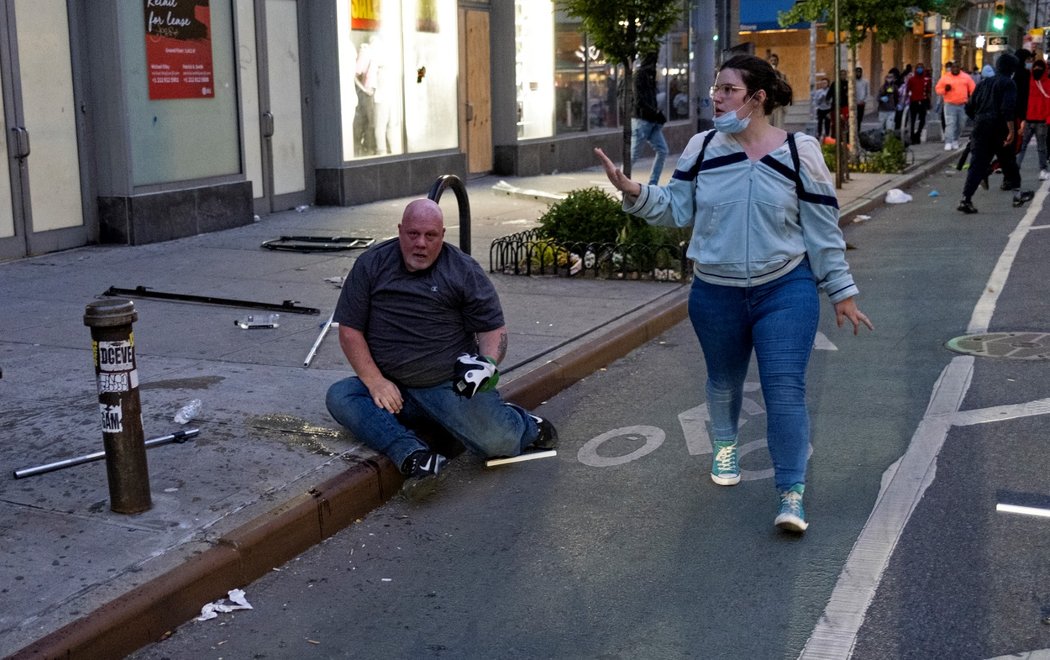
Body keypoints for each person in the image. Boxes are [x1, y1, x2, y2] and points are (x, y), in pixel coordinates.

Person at [593, 54, 873, 534]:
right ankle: (725, 444)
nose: (716, 98)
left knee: (785, 388)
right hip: (715, 292)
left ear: (757, 98)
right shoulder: (703, 148)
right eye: (715, 90)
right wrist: (634, 191)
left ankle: (791, 493)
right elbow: (676, 209)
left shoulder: (799, 152)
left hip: (786, 287)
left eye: (727, 90)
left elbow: (823, 229)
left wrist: (841, 291)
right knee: (723, 382)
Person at [325, 199, 558, 490]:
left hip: (447, 386)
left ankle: (522, 425)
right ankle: (413, 455)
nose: (420, 243)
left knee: (499, 442)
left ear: (442, 235)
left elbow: (493, 330)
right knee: (341, 396)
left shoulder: (463, 271)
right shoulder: (371, 265)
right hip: (390, 388)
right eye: (413, 234)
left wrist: (487, 365)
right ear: (400, 231)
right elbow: (349, 331)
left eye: (430, 235)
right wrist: (374, 381)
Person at [958, 53, 1029, 214]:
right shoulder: (1009, 84)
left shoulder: (984, 83)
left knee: (977, 165)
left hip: (980, 127)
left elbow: (969, 107)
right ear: (1011, 69)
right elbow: (1007, 109)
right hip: (999, 128)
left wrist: (978, 120)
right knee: (1009, 162)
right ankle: (1017, 195)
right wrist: (1011, 130)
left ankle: (965, 199)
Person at [631, 51, 669, 185]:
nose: (655, 65)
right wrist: (655, 113)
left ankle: (653, 183)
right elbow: (639, 100)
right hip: (642, 119)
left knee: (663, 150)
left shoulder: (649, 75)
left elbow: (649, 98)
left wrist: (656, 114)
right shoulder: (640, 75)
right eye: (654, 61)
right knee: (633, 155)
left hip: (650, 119)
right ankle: (621, 181)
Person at [1017, 57, 1050, 180]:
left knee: (1023, 147)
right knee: (1041, 148)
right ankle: (1043, 170)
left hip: (1031, 120)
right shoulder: (1047, 83)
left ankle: (1016, 169)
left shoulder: (1029, 82)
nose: (1036, 69)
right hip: (1040, 121)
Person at [936, 60, 976, 150]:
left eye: (957, 67)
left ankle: (955, 140)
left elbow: (973, 89)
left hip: (962, 105)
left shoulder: (966, 77)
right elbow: (938, 90)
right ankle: (948, 142)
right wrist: (945, 90)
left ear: (959, 68)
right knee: (950, 123)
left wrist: (971, 99)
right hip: (949, 105)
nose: (955, 69)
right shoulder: (945, 77)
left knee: (961, 124)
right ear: (951, 68)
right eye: (953, 67)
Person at [906, 62, 932, 144]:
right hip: (914, 101)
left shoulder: (926, 80)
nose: (919, 69)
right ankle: (912, 136)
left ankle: (918, 133)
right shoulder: (911, 80)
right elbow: (908, 90)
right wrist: (908, 98)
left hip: (923, 101)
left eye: (921, 67)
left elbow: (928, 91)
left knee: (922, 120)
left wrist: (929, 101)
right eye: (918, 68)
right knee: (913, 120)